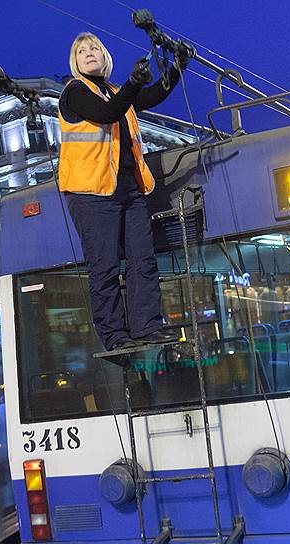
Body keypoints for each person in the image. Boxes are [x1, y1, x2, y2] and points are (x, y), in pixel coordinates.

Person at [58, 32, 187, 351]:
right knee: (104, 265)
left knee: (143, 259)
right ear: (75, 63)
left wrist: (178, 65)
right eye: (82, 51)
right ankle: (114, 335)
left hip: (128, 188)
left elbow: (153, 95)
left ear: (105, 57)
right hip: (91, 192)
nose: (89, 53)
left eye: (94, 49)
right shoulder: (75, 92)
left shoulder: (115, 92)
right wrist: (132, 84)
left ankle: (147, 326)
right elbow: (106, 114)